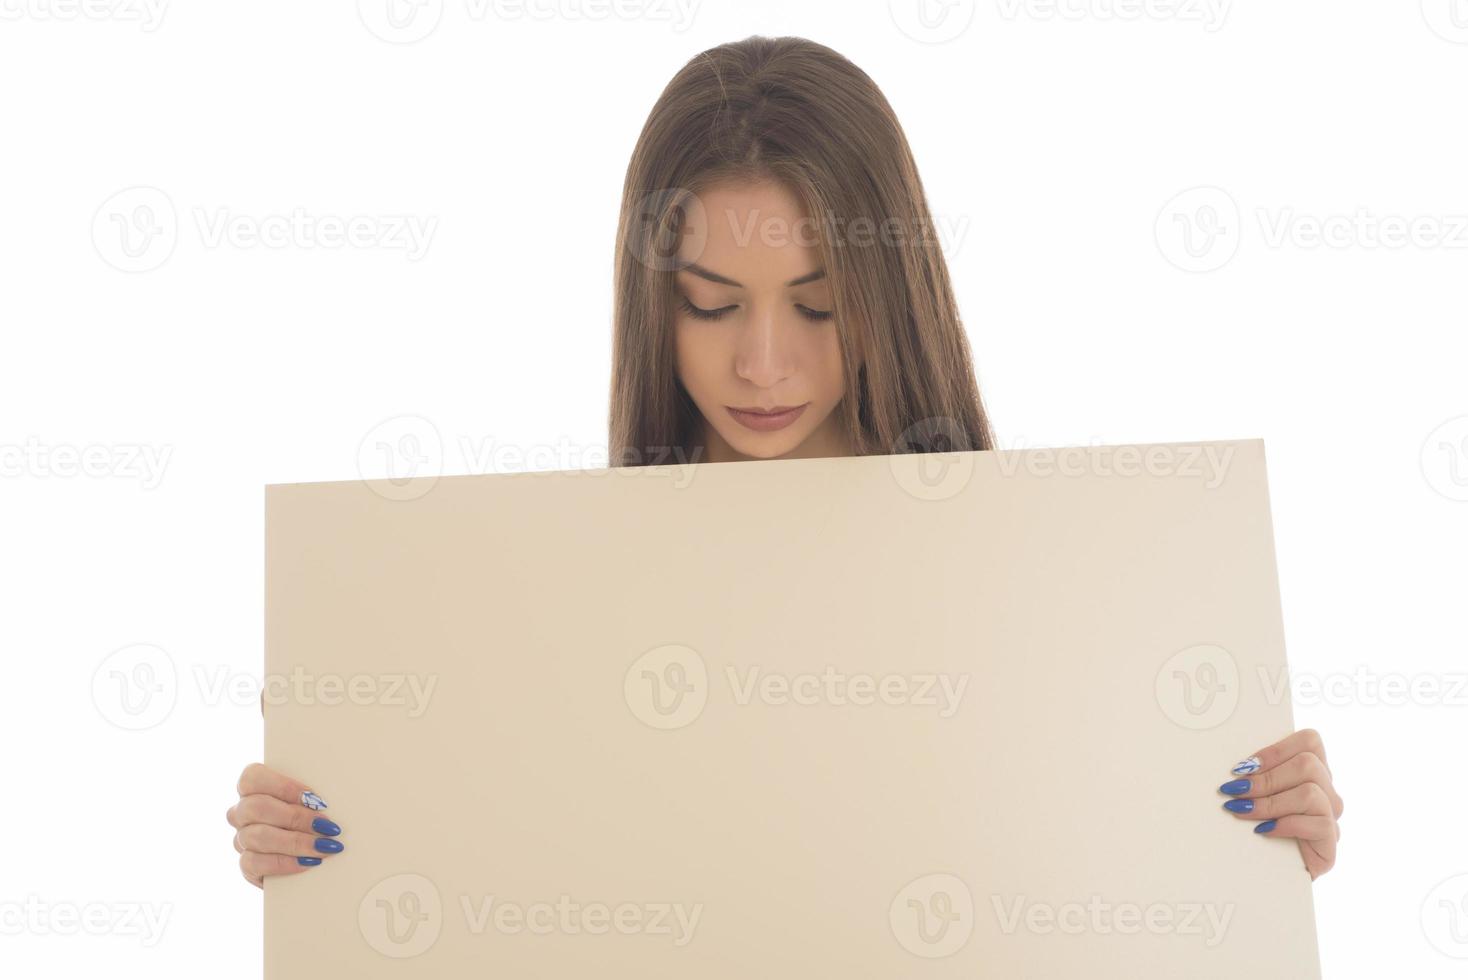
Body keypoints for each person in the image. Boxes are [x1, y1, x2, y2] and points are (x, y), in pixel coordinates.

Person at [226, 35, 1343, 889]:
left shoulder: (1051, 581)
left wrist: (1252, 843)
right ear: (652, 306)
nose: (764, 364)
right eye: (713, 306)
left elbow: (1083, 858)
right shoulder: (539, 605)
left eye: (816, 305)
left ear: (887, 297)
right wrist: (334, 835)